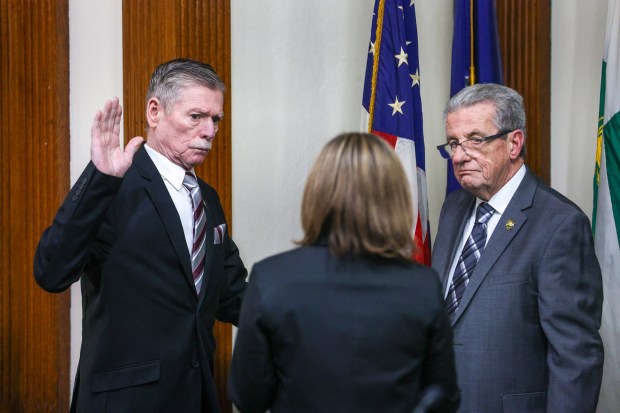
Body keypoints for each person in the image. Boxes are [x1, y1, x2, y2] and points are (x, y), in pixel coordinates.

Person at [34, 58, 247, 413]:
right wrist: (100, 179)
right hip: (124, 401)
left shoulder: (207, 198)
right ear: (155, 111)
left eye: (216, 120)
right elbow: (51, 272)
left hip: (196, 397)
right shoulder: (114, 186)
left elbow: (231, 293)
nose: (209, 131)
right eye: (196, 117)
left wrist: (306, 314)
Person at [228, 132, 460, 413]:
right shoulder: (422, 285)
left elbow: (247, 396)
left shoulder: (271, 278)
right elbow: (443, 394)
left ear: (318, 193)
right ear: (394, 196)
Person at [432, 83, 604, 412]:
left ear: (514, 143)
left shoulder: (559, 224)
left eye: (475, 140)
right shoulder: (453, 208)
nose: (458, 155)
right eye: (453, 143)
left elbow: (575, 357)